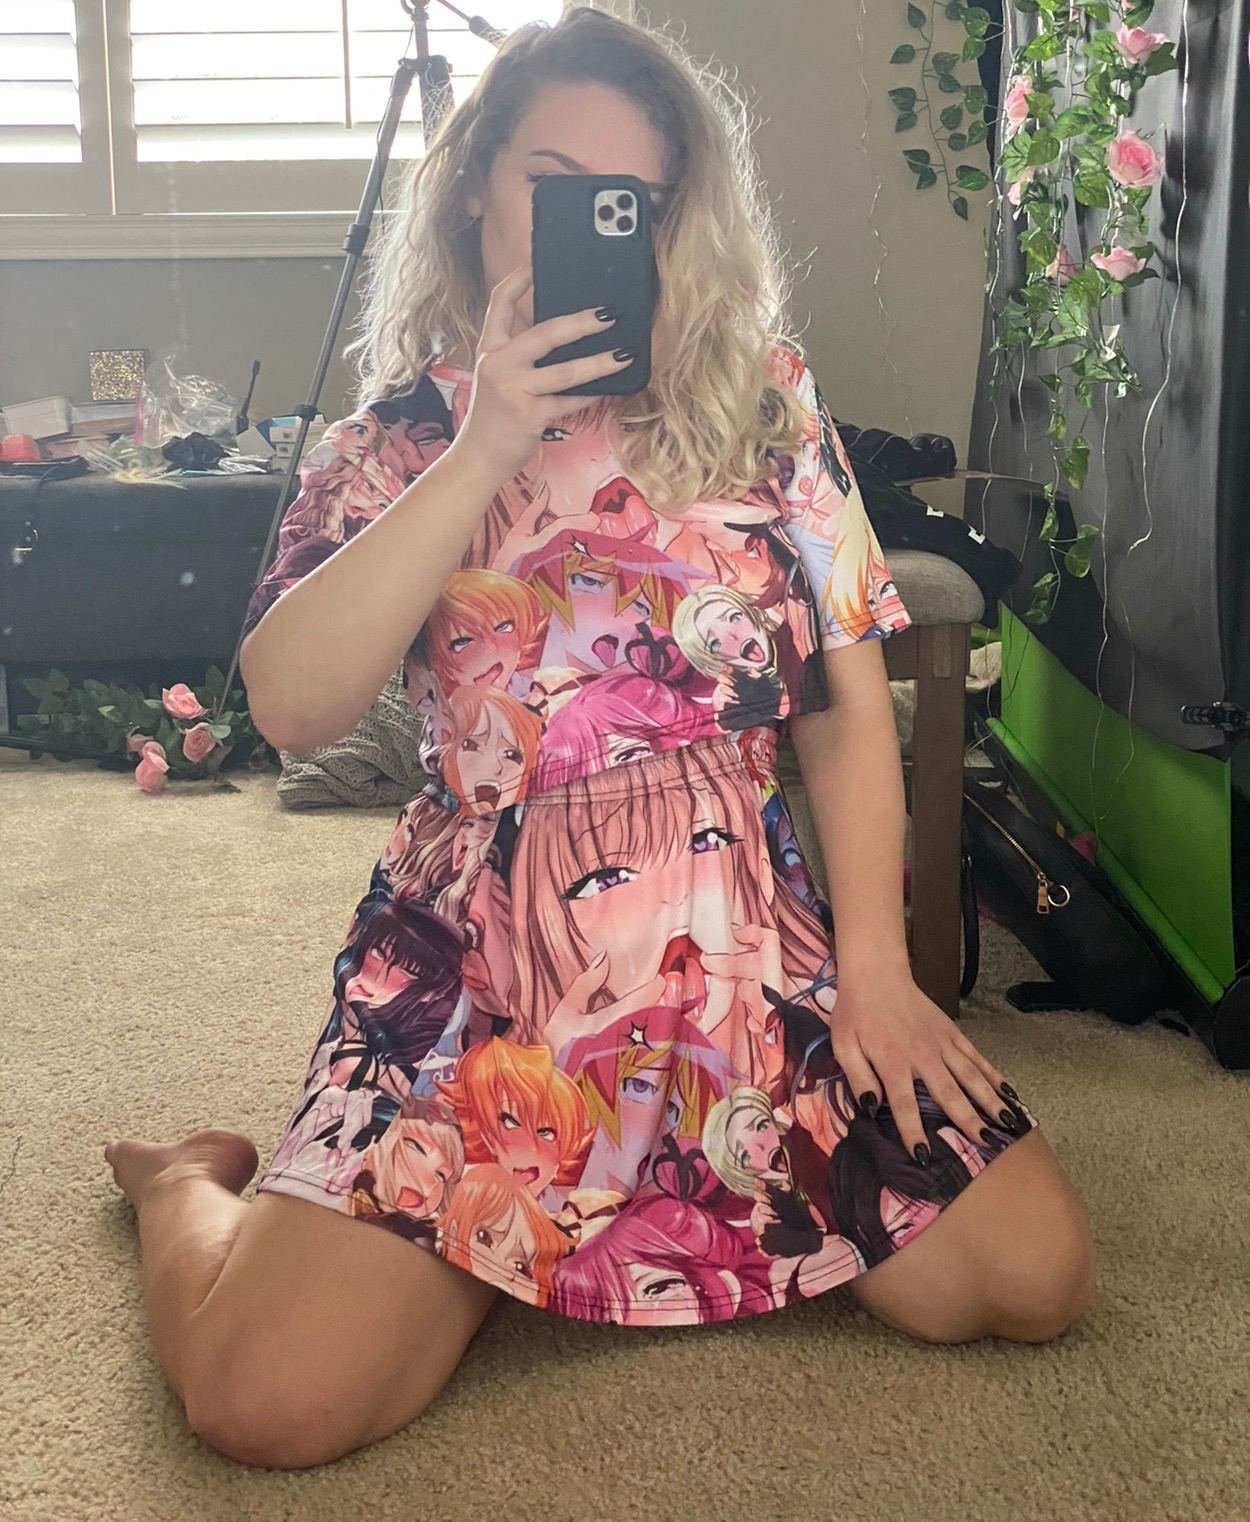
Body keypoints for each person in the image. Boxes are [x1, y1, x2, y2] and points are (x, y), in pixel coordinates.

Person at [103, 4, 1096, 1471]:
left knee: (1027, 1279)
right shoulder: (394, 438)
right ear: (475, 188)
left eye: (634, 195)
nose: (593, 222)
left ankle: (600, 1225)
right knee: (265, 1404)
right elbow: (294, 705)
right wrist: (485, 443)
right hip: (487, 970)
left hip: (739, 947)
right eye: (554, 181)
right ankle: (185, 1184)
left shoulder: (763, 401)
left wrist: (879, 975)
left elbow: (841, 702)